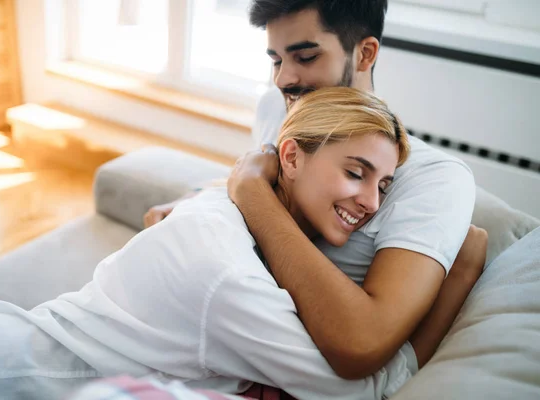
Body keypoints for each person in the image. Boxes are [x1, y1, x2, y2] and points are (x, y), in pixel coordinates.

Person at [0, 88, 485, 400]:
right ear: (291, 157)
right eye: (355, 172)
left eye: (383, 185)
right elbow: (364, 393)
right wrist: (460, 272)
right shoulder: (223, 266)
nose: (371, 201)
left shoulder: (243, 220)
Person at [144, 0, 479, 380]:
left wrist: (251, 192)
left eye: (305, 56)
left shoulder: (434, 178)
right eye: (276, 60)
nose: (283, 79)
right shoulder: (277, 108)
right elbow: (272, 182)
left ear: (365, 53)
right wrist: (196, 197)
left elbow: (361, 345)